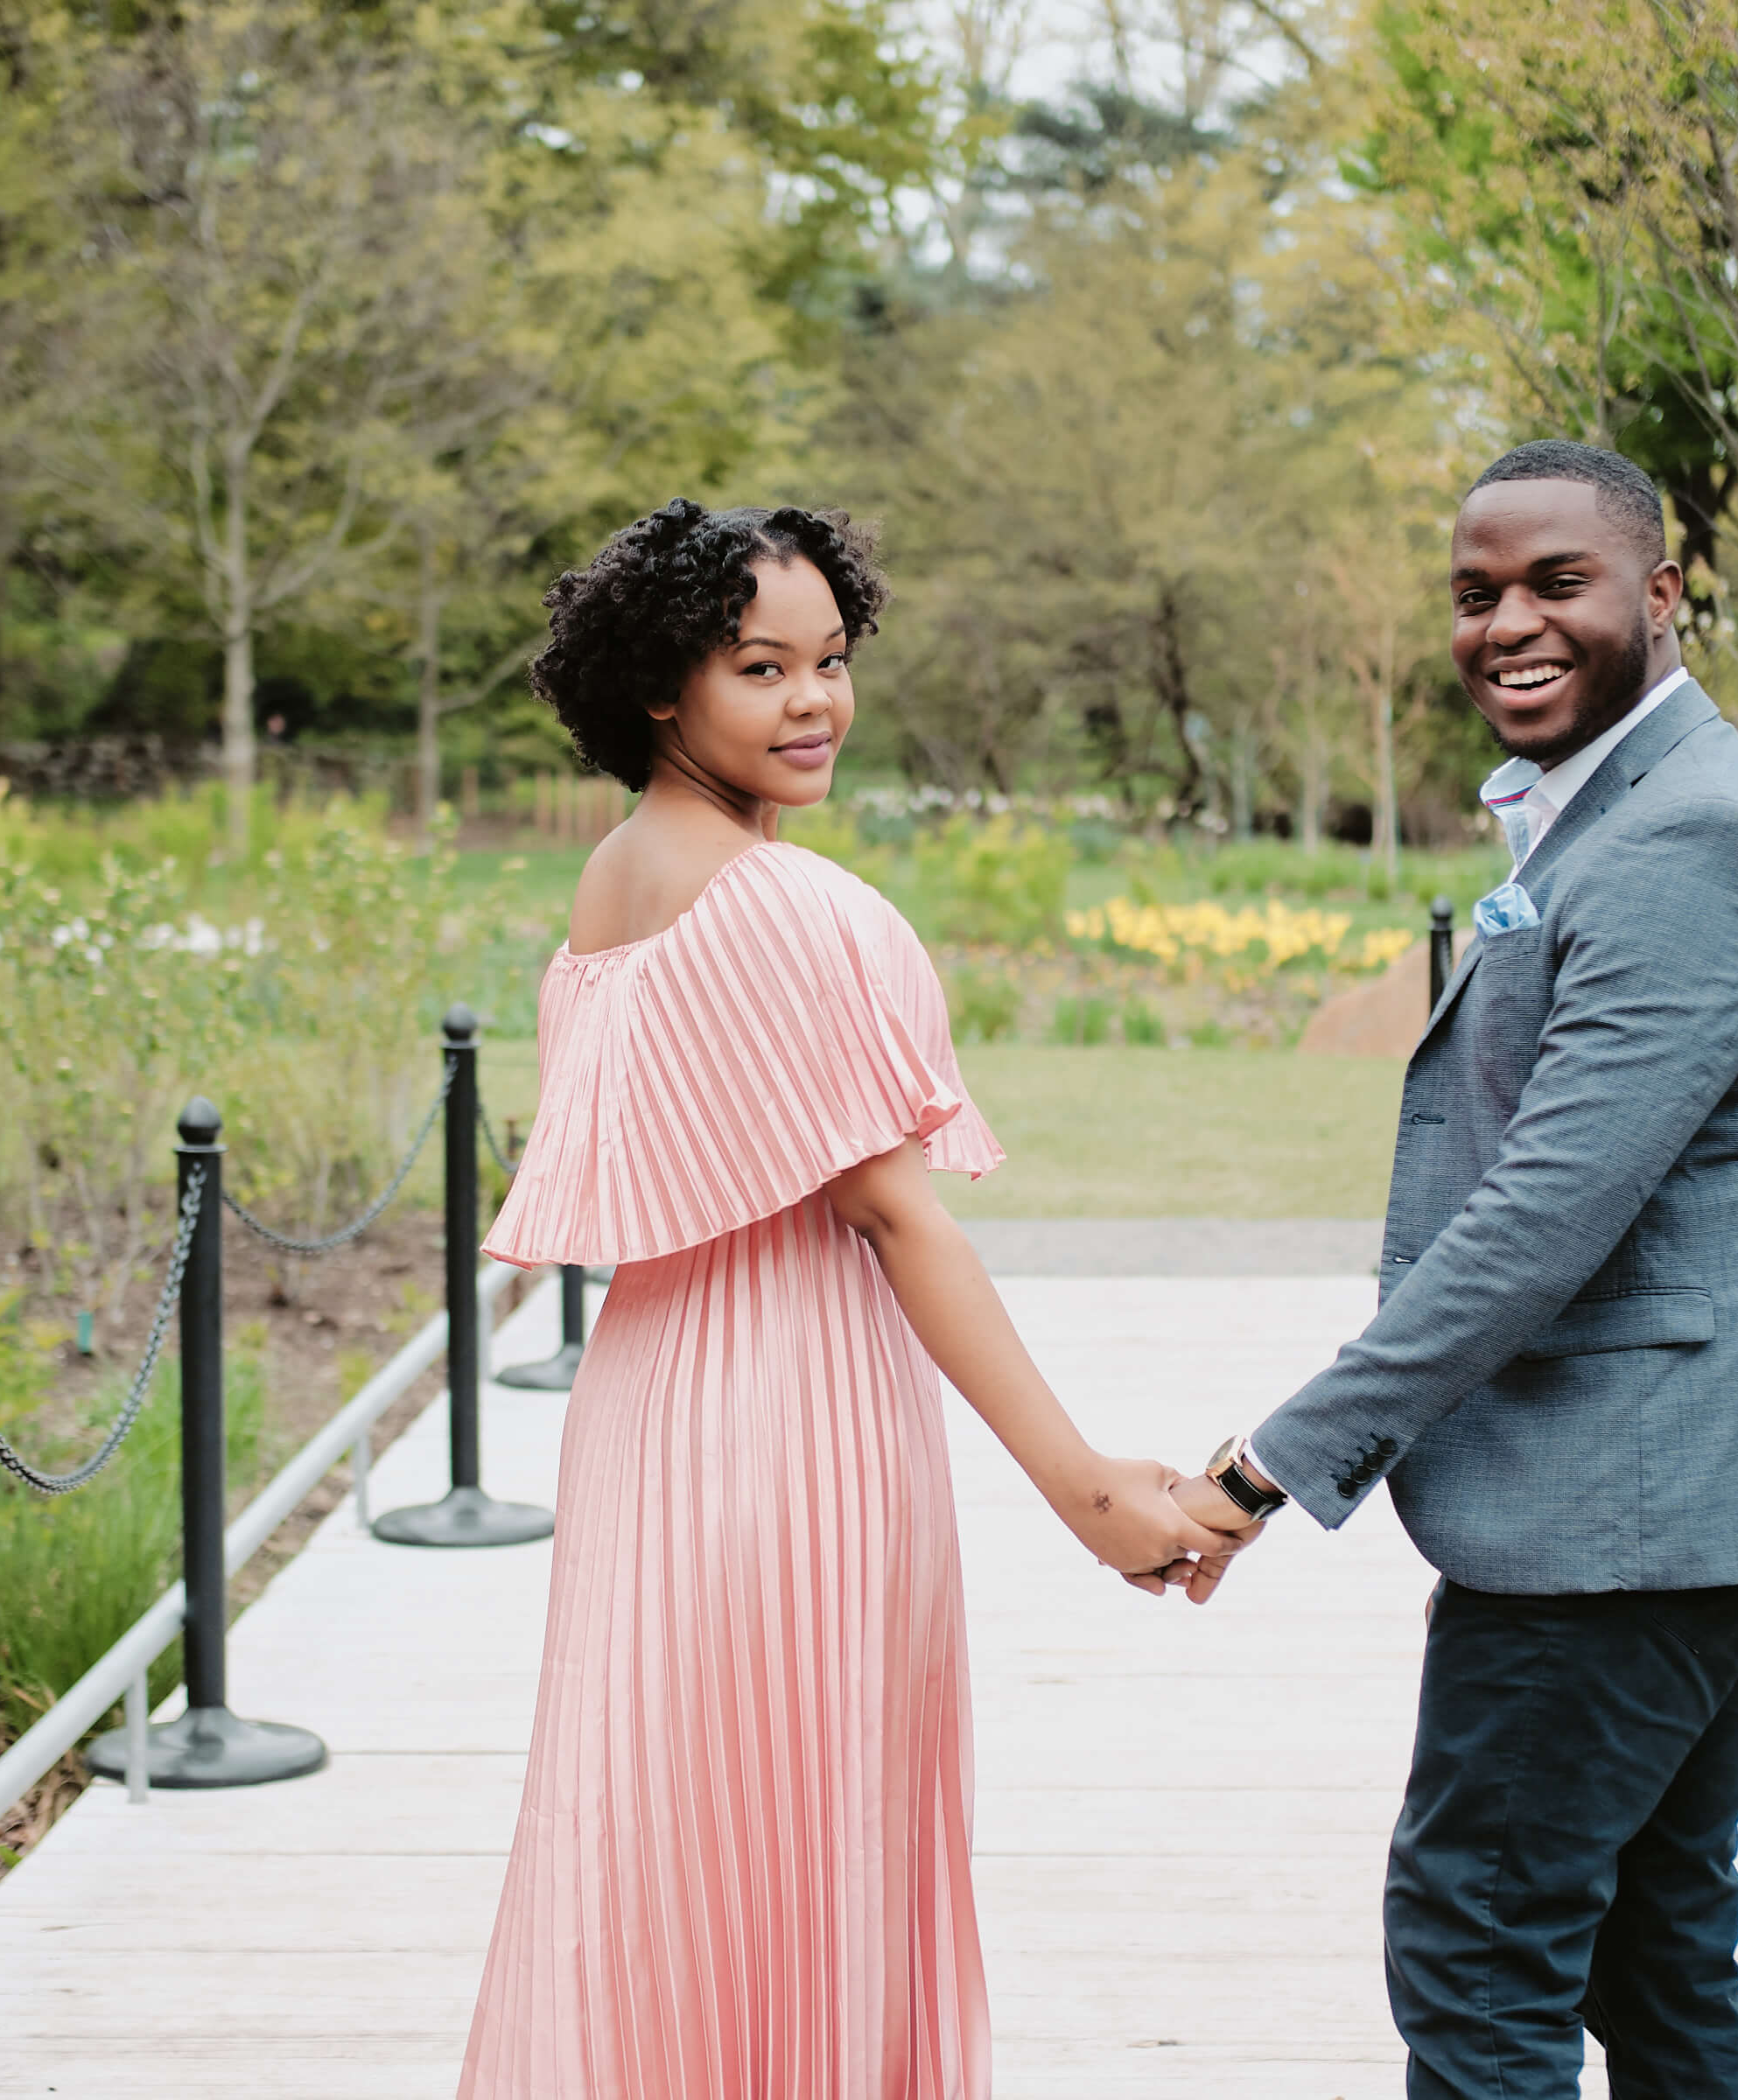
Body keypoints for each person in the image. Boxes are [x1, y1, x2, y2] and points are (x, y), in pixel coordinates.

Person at [459, 498, 1243, 2100]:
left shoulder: (618, 876)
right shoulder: (778, 904)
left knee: (670, 1836)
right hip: (788, 1415)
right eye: (762, 667)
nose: (814, 701)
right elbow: (894, 1219)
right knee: (806, 1824)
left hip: (657, 1405)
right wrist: (1090, 1487)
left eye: (830, 660)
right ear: (662, 690)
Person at [1169, 440, 1738, 2097]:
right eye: (1476, 593)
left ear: (1659, 591)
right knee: (1652, 1940)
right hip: (1690, 1500)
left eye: (1554, 583)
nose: (1507, 623)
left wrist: (1265, 1467)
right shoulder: (1623, 805)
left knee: (1479, 1940)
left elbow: (1544, 1219)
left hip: (1629, 1521)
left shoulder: (1683, 839)